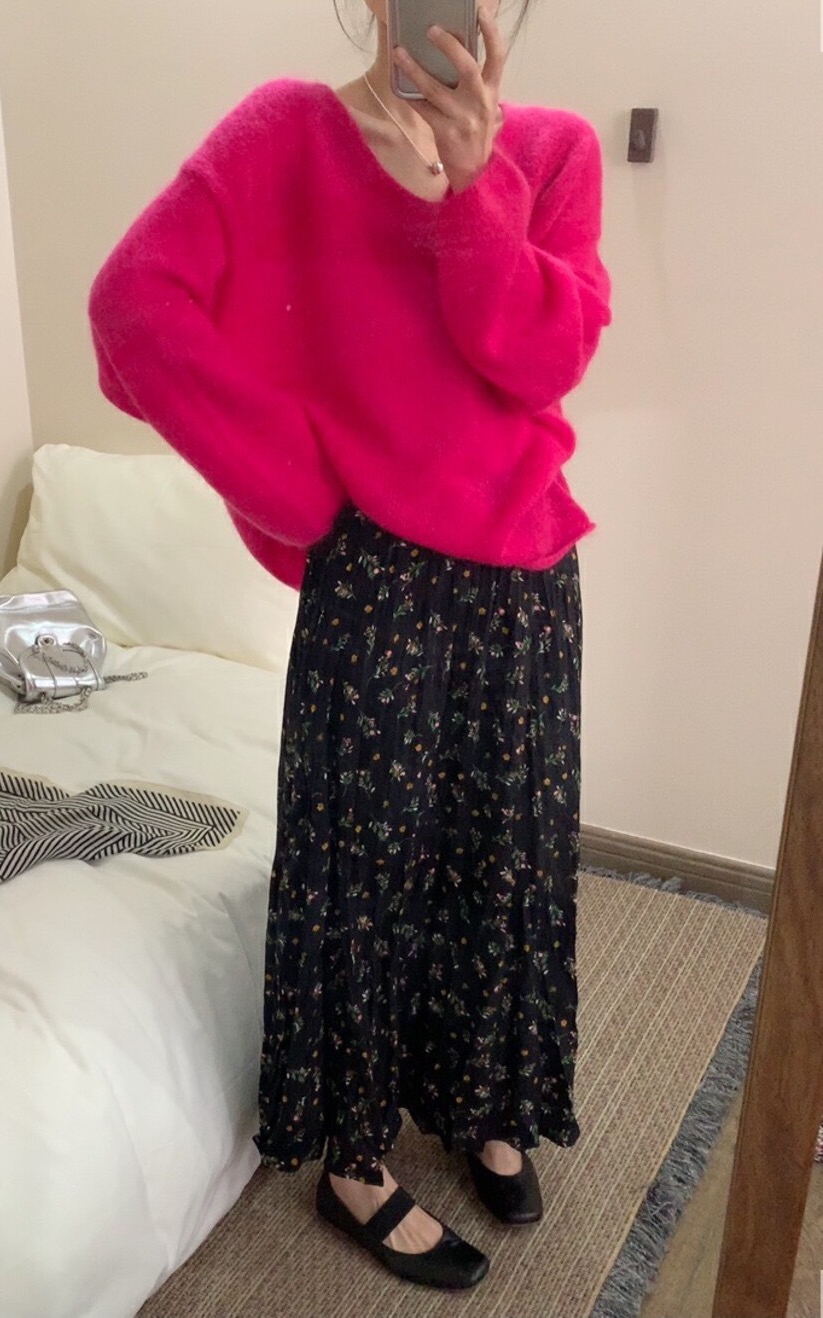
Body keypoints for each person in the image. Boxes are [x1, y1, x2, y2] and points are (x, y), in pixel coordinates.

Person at [88, 0, 612, 1291]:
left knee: (503, 858)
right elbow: (133, 309)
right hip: (379, 580)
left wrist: (477, 190)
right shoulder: (286, 133)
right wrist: (304, 496)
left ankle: (481, 1101)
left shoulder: (553, 151)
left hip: (525, 580)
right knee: (363, 869)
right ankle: (355, 1161)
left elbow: (540, 358)